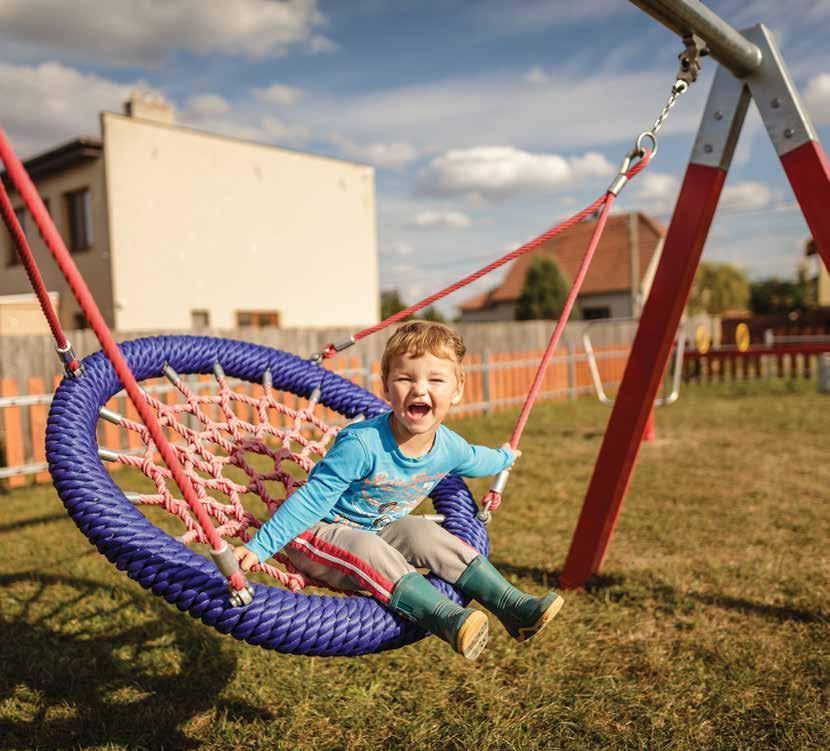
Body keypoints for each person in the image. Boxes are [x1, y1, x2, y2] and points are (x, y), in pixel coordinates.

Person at [234, 320, 563, 659]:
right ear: (386, 388)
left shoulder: (449, 447)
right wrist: (261, 546)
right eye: (406, 378)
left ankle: (513, 607)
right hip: (316, 534)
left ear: (457, 390)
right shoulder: (362, 444)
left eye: (435, 380)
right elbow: (311, 500)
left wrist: (504, 457)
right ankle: (445, 618)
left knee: (423, 531)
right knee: (366, 547)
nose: (420, 390)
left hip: (377, 528)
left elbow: (478, 459)